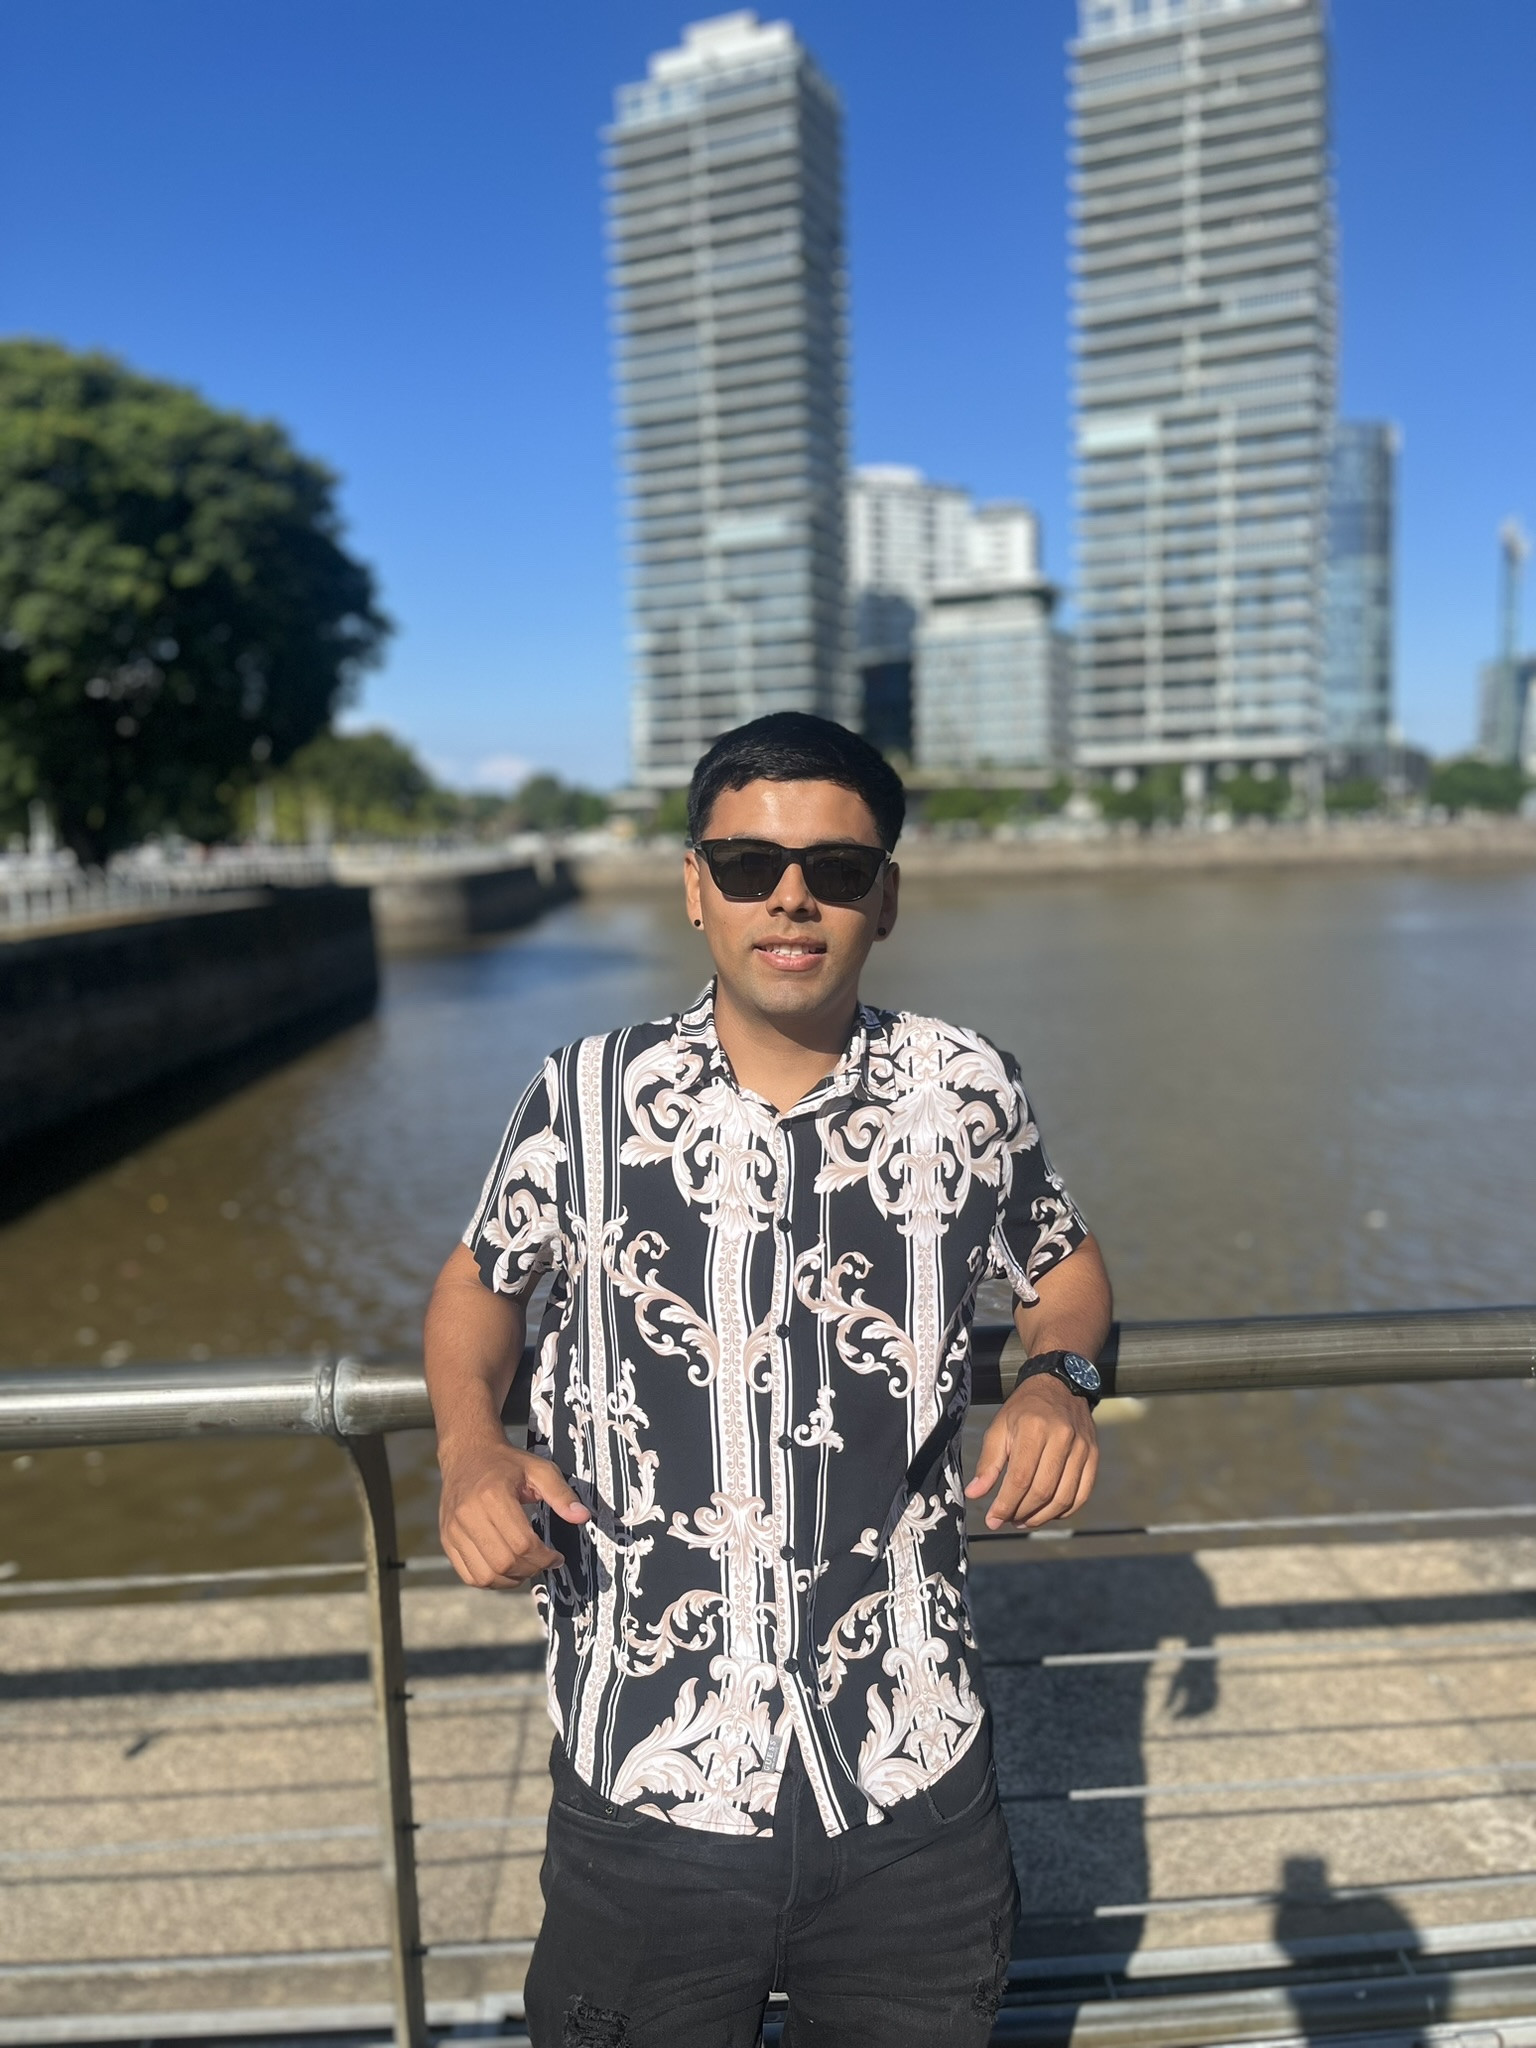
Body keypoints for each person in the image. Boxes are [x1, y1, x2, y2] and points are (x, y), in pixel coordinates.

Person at [424, 713, 1113, 2047]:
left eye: (836, 871)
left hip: (913, 1767)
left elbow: (1065, 1265)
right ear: (696, 888)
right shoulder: (585, 1096)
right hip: (645, 1771)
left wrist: (1058, 1381)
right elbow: (478, 1285)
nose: (791, 898)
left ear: (885, 900)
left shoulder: (968, 1088)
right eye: (749, 865)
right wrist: (468, 1448)